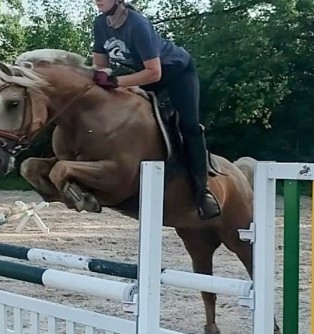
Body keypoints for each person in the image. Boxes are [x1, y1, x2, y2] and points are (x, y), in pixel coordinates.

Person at [90, 0, 221, 220]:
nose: (97, 0)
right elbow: (100, 66)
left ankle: (202, 192)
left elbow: (154, 73)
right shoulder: (100, 23)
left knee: (188, 126)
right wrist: (102, 77)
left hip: (176, 73)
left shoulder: (138, 24)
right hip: (145, 74)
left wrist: (115, 81)